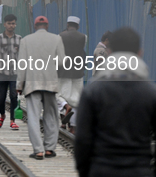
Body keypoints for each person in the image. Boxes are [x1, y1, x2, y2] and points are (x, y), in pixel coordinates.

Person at [75, 27, 156, 177]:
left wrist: (86, 172)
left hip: (102, 170)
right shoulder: (150, 93)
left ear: (110, 52)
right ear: (140, 53)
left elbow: (82, 139)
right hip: (140, 171)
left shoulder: (93, 91)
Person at [17, 16, 66, 159]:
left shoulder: (25, 40)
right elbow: (62, 62)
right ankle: (50, 149)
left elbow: (22, 65)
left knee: (33, 116)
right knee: (51, 116)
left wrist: (19, 85)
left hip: (32, 83)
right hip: (50, 83)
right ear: (47, 25)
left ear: (35, 26)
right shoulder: (56, 39)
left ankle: (38, 150)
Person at [0, 14, 21, 129]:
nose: (11, 25)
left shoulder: (19, 39)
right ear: (4, 24)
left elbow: (22, 56)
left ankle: (13, 120)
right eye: (9, 23)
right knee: (1, 98)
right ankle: (2, 115)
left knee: (13, 96)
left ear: (15, 24)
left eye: (13, 23)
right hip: (1, 71)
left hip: (14, 73)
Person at [57, 16, 87, 134]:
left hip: (63, 71)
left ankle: (64, 115)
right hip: (78, 72)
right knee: (76, 98)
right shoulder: (83, 37)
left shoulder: (60, 36)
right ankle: (73, 126)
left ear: (67, 25)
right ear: (78, 26)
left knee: (60, 95)